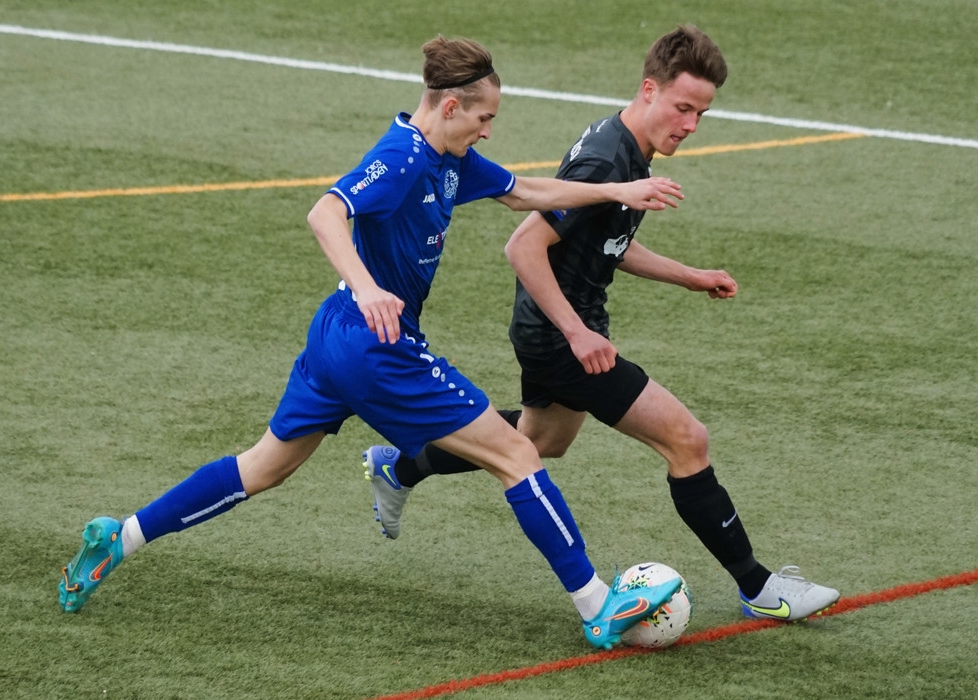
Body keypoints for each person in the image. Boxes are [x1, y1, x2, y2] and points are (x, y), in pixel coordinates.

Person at [58, 35, 693, 651]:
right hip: (376, 344)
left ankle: (123, 536)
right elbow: (325, 213)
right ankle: (596, 606)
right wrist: (368, 289)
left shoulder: (450, 159)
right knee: (517, 455)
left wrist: (615, 191)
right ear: (451, 107)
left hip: (335, 337)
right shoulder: (403, 156)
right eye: (484, 118)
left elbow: (523, 192)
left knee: (263, 467)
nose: (488, 132)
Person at [361, 25, 840, 622]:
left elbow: (605, 241)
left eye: (702, 113)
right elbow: (523, 246)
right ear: (649, 90)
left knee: (541, 441)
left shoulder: (628, 148)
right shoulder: (606, 158)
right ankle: (761, 589)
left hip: (556, 328)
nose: (691, 124)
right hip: (562, 335)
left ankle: (400, 466)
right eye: (683, 107)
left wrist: (689, 276)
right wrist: (576, 332)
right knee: (687, 439)